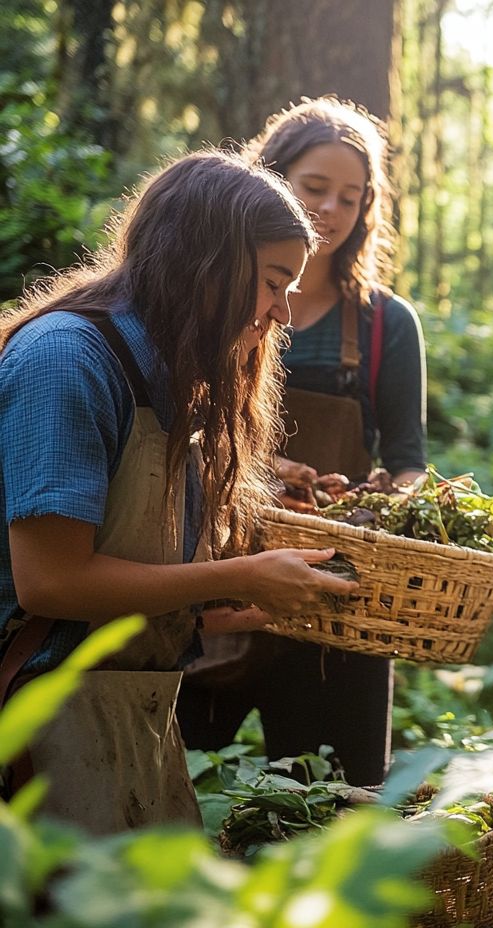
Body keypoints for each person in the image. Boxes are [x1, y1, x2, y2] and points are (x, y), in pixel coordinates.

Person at [0, 150, 358, 835]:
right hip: (34, 711)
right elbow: (50, 583)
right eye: (273, 282)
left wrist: (220, 603)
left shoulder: (178, 374)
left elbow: (132, 566)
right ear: (207, 262)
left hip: (124, 716)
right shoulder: (67, 361)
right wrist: (234, 573)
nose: (283, 313)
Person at [177, 98, 426, 789]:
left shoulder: (385, 325)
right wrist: (252, 470)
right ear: (269, 176)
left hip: (330, 592)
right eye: (314, 187)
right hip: (212, 577)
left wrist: (383, 510)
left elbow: (407, 459)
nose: (332, 209)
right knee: (185, 791)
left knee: (334, 800)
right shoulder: (212, 300)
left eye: (352, 196)